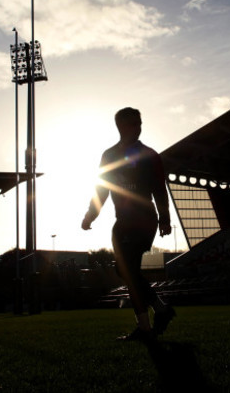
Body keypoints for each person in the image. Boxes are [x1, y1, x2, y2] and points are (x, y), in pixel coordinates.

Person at [82, 107, 176, 342]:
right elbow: (102, 189)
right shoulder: (109, 155)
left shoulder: (150, 155)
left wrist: (165, 218)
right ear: (120, 127)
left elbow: (159, 188)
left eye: (139, 123)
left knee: (127, 269)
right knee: (125, 270)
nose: (138, 127)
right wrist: (90, 215)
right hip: (122, 221)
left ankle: (149, 322)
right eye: (132, 124)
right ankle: (156, 314)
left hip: (144, 219)